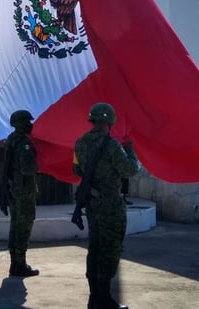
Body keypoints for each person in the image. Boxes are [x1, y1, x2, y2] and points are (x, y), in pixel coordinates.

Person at [73, 102, 139, 309]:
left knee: (95, 247)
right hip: (110, 206)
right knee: (110, 249)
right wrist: (131, 152)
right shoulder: (112, 146)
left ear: (92, 120)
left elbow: (76, 171)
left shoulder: (80, 143)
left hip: (92, 204)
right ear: (110, 122)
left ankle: (94, 297)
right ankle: (103, 299)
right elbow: (129, 170)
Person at [2, 109, 39, 278]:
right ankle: (20, 264)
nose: (30, 124)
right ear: (21, 124)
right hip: (24, 188)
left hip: (13, 187)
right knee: (24, 225)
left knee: (15, 224)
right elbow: (27, 168)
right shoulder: (24, 142)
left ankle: (14, 263)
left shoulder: (11, 139)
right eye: (27, 122)